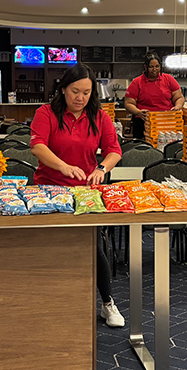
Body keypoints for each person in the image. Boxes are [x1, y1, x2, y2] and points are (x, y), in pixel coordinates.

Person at [30, 63, 125, 327]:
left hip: (84, 192)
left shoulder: (99, 117)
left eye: (86, 92)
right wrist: (63, 166)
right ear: (62, 89)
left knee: (93, 247)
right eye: (74, 91)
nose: (80, 98)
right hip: (48, 189)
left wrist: (102, 168)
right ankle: (49, 302)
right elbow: (38, 146)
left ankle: (107, 303)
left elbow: (114, 150)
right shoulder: (46, 113)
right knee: (49, 248)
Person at [124, 52, 185, 140]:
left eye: (157, 66)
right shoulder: (137, 82)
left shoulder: (169, 79)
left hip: (167, 121)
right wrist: (138, 112)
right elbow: (128, 103)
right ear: (145, 67)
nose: (154, 69)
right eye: (151, 67)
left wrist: (178, 106)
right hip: (144, 121)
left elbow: (179, 97)